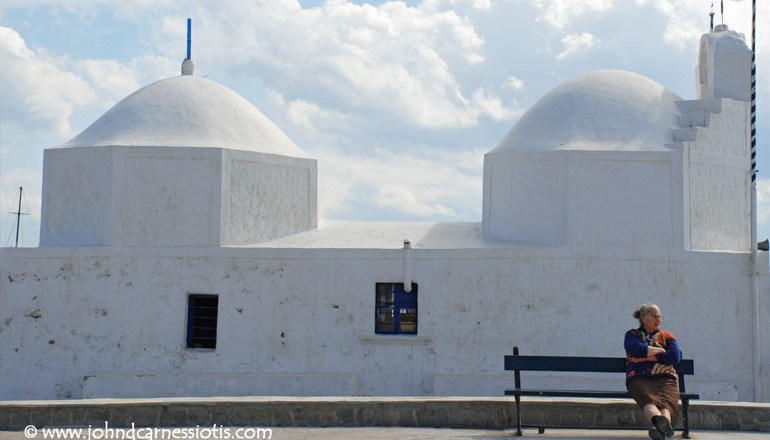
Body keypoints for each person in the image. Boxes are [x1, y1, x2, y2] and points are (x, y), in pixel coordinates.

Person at [624, 303, 682, 440]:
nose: (658, 320)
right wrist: (661, 351)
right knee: (648, 400)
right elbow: (635, 350)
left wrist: (647, 357)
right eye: (655, 317)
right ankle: (662, 426)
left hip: (665, 378)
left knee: (666, 402)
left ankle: (659, 427)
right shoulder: (632, 335)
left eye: (659, 317)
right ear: (643, 319)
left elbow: (675, 356)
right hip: (639, 377)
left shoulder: (667, 336)